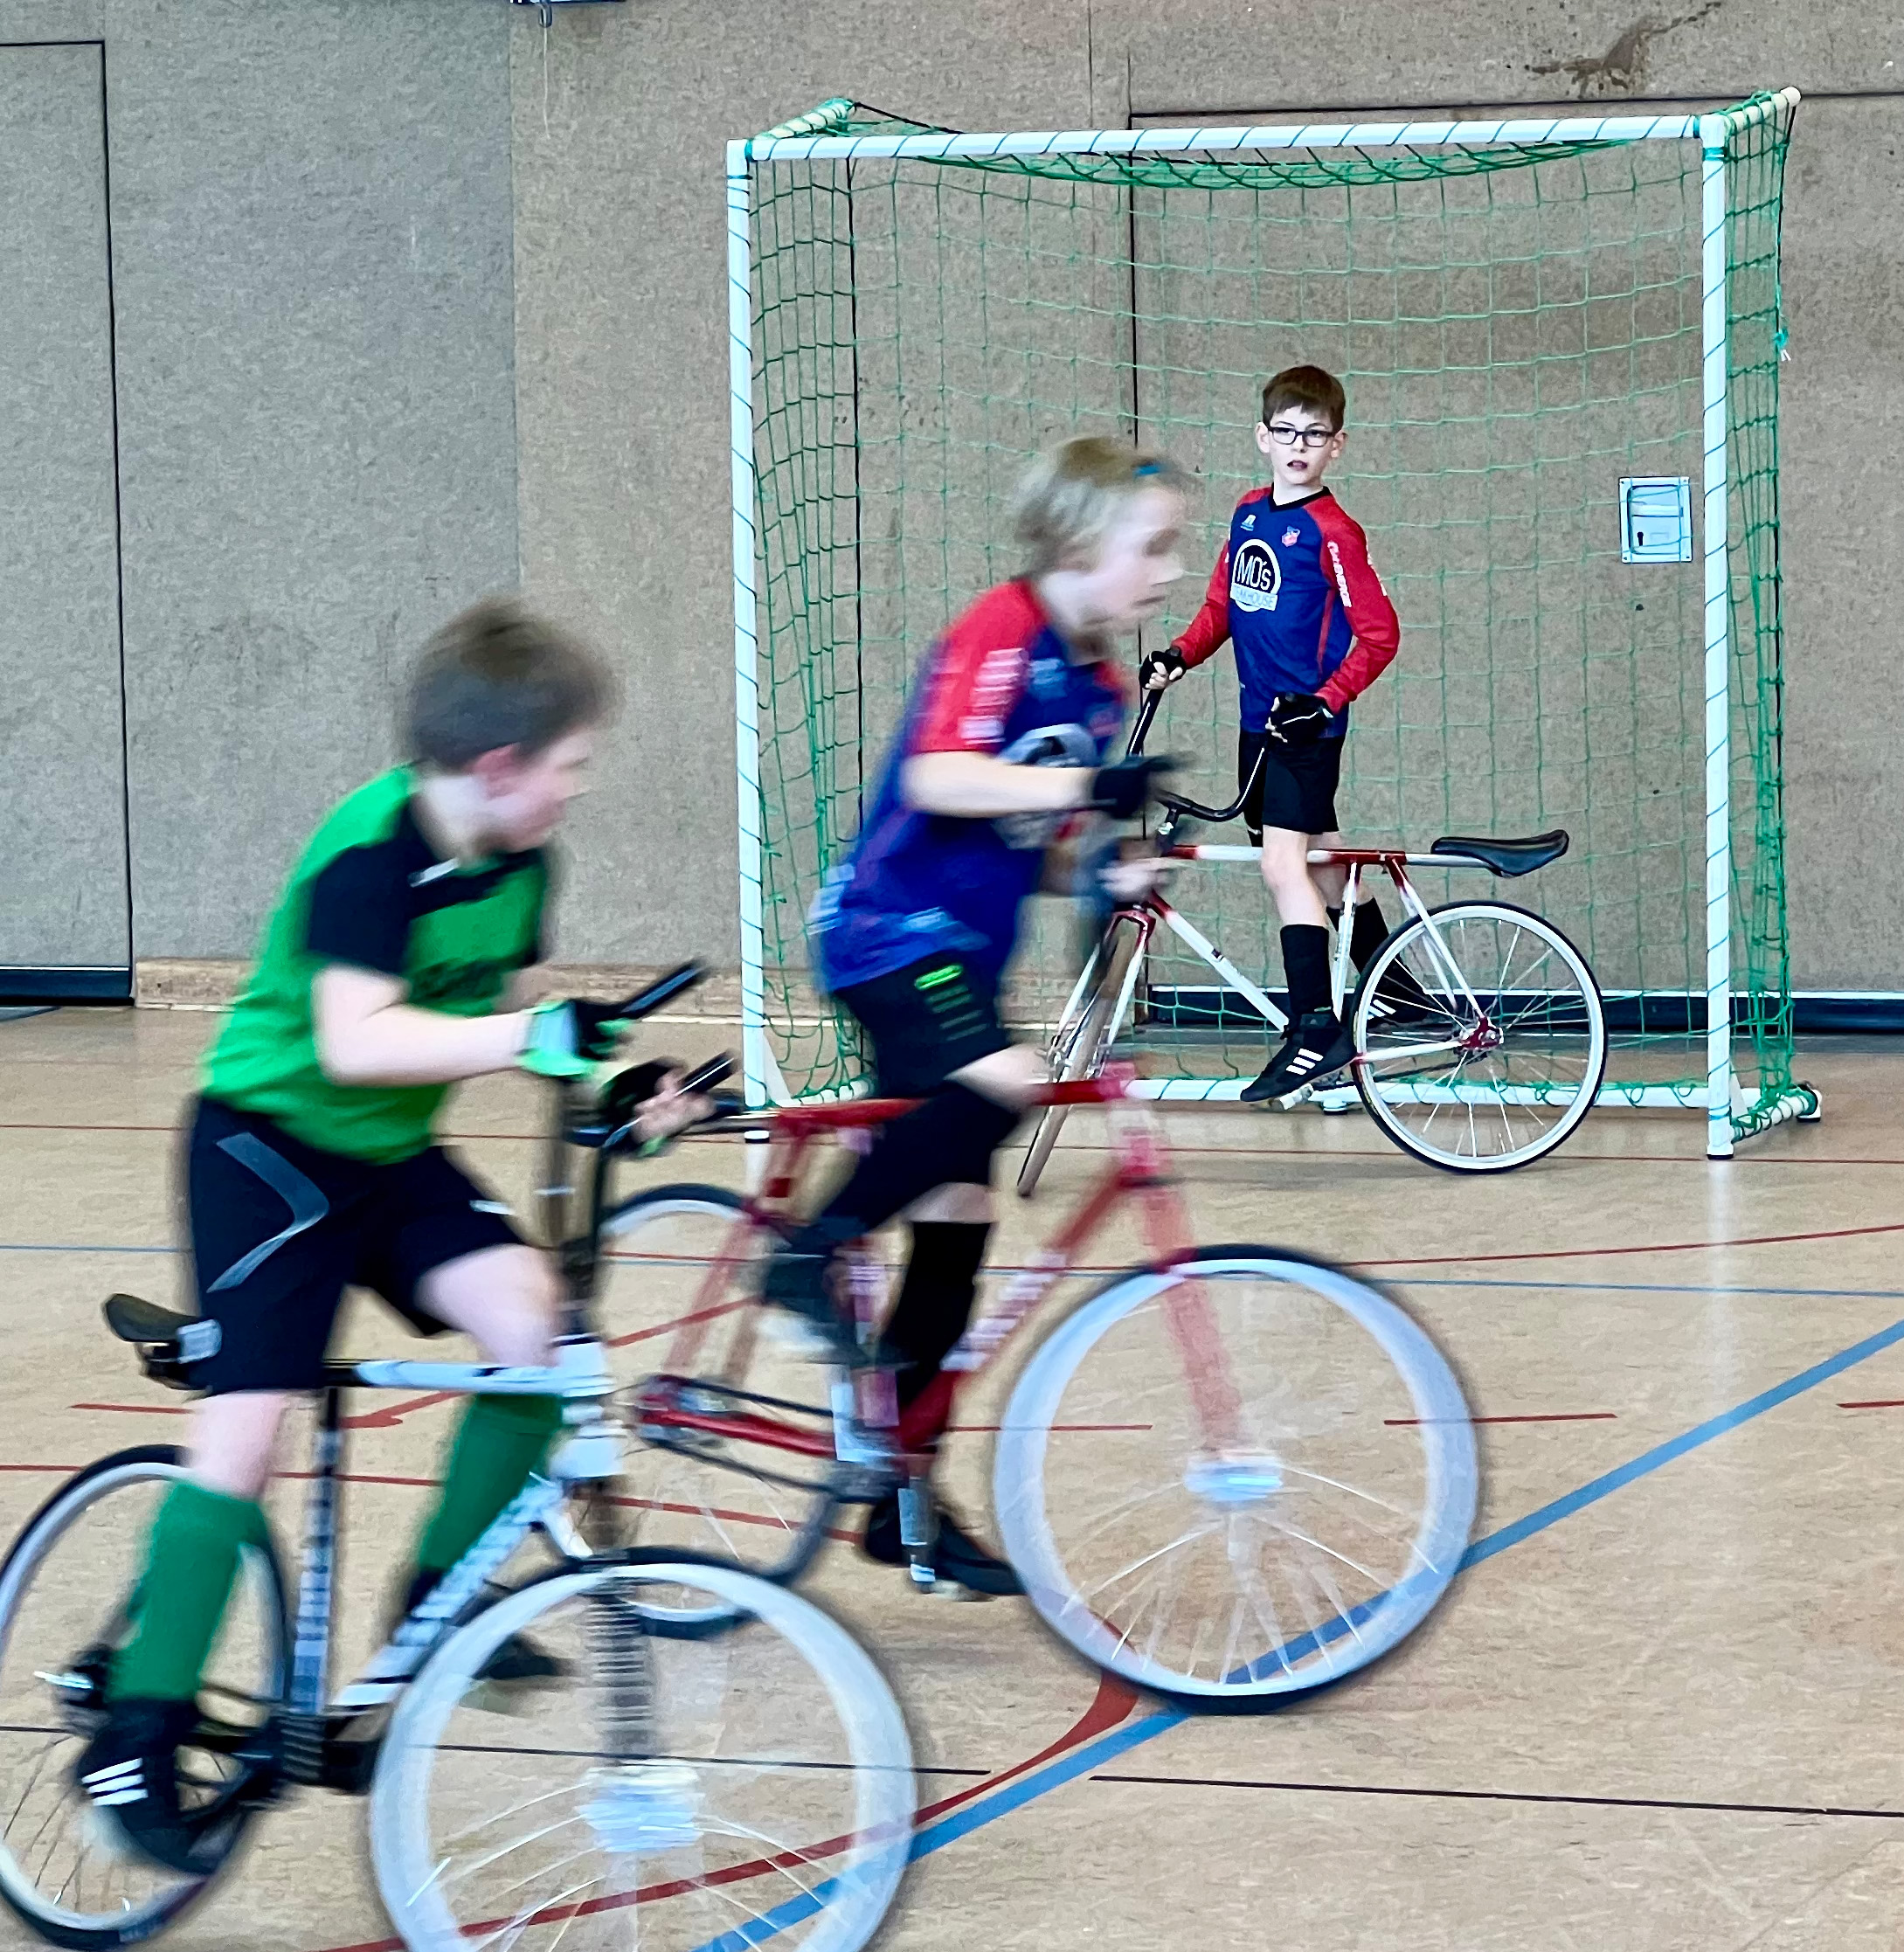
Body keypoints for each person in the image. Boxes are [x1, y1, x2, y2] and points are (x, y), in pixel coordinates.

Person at [75, 600, 711, 1874]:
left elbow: (503, 1015)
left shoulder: (523, 862)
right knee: (245, 1431)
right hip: (265, 1151)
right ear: (496, 768)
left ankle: (434, 1603)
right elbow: (361, 1036)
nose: (576, 791)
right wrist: (526, 1040)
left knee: (540, 1335)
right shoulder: (367, 852)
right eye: (570, 767)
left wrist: (619, 1091)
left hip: (389, 1155)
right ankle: (133, 1726)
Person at [772, 434, 1187, 1596]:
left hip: (964, 952)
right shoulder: (996, 632)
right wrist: (1078, 788)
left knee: (956, 1220)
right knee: (1001, 1080)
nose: (1165, 570)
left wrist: (1097, 872)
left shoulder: (1100, 685)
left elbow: (1035, 843)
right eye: (1147, 545)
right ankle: (801, 1249)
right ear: (1074, 541)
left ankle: (901, 1500)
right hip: (883, 937)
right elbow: (939, 778)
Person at [1144, 363, 1419, 1104]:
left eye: (1316, 435)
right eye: (1287, 432)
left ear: (1338, 446)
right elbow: (1222, 607)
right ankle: (1397, 990)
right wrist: (1180, 654)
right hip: (1254, 723)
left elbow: (1379, 634)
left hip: (1303, 728)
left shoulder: (1333, 531)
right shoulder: (1248, 514)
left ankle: (1313, 1027)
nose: (1299, 446)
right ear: (1262, 437)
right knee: (1324, 862)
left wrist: (1324, 702)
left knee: (1280, 866)